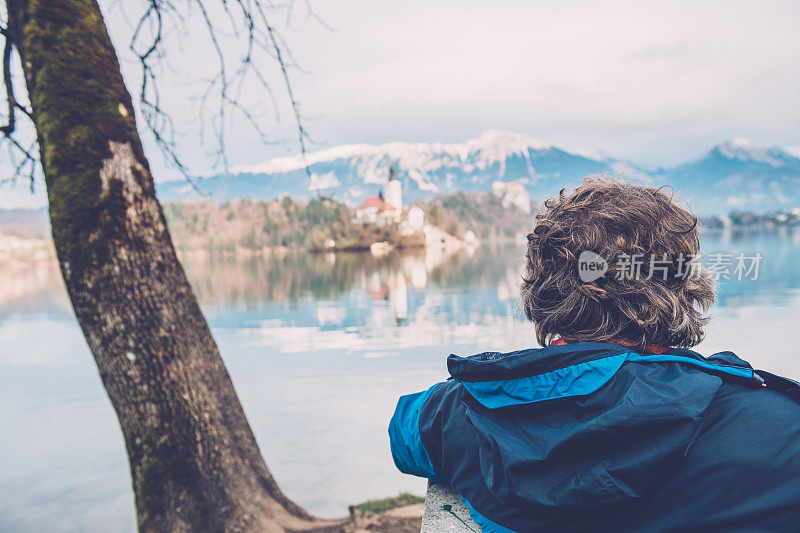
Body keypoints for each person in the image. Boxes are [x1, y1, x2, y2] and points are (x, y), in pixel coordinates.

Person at [389, 179, 800, 532]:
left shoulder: (462, 410)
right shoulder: (776, 428)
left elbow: (403, 433)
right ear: (681, 289)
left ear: (541, 295)